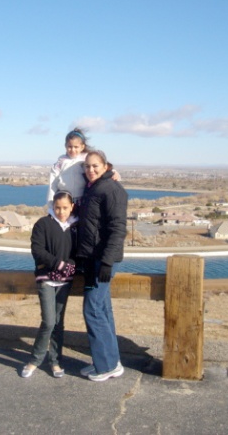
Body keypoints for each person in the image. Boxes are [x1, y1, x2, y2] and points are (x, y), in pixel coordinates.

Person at [76, 150, 128, 382]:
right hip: (92, 259)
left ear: (106, 166)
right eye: (87, 166)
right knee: (103, 309)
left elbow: (117, 228)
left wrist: (107, 261)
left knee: (93, 309)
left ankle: (105, 366)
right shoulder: (93, 188)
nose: (91, 170)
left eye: (95, 166)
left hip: (103, 259)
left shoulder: (111, 189)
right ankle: (109, 361)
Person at [21, 190, 78, 378]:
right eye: (57, 207)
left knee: (59, 323)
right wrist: (59, 264)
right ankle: (35, 360)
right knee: (49, 322)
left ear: (72, 207)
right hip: (46, 279)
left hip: (65, 282)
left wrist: (71, 266)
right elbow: (37, 250)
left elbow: (79, 251)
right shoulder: (43, 224)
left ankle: (55, 361)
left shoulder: (76, 226)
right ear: (52, 206)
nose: (61, 212)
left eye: (65, 208)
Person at [46, 128, 91, 211]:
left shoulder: (86, 160)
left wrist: (112, 172)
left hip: (83, 201)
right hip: (64, 201)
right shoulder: (60, 162)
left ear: (82, 147)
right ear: (65, 146)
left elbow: (99, 167)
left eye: (76, 147)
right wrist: (51, 205)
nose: (73, 150)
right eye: (70, 147)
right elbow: (53, 184)